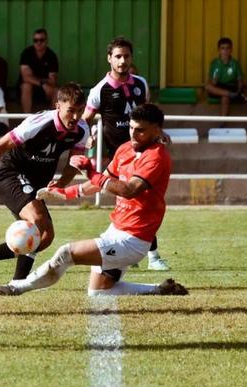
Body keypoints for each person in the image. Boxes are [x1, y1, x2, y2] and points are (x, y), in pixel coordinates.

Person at [0, 104, 188, 297]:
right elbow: (101, 182)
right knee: (98, 291)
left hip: (133, 241)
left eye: (140, 131)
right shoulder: (126, 149)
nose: (133, 134)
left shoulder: (157, 158)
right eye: (130, 128)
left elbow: (129, 190)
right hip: (116, 230)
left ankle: (16, 287)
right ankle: (160, 289)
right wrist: (64, 193)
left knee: (66, 253)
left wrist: (90, 172)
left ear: (157, 131)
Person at [0, 82, 89, 289]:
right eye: (71, 111)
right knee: (38, 222)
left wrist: (61, 184)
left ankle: (2, 270)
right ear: (58, 106)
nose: (75, 117)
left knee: (46, 237)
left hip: (36, 183)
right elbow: (1, 145)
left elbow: (73, 163)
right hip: (10, 174)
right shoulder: (39, 122)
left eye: (80, 111)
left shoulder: (81, 130)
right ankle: (1, 268)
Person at [82, 37, 169, 272]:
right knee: (128, 204)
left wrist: (161, 132)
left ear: (131, 58)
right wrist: (88, 137)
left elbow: (149, 114)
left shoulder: (140, 84)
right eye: (118, 56)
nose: (122, 61)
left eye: (126, 56)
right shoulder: (100, 89)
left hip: (143, 154)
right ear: (109, 59)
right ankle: (134, 252)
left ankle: (153, 256)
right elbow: (85, 121)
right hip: (119, 157)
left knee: (145, 203)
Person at [18, 28, 59, 113]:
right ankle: (26, 118)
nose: (38, 43)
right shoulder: (27, 53)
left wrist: (34, 79)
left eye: (41, 40)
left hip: (45, 88)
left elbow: (53, 80)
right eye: (35, 40)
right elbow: (25, 77)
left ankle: (53, 120)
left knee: (56, 91)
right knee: (26, 86)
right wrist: (43, 83)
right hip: (29, 88)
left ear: (46, 41)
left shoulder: (51, 56)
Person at [205, 37, 246, 117]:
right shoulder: (215, 63)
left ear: (231, 50)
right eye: (223, 48)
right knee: (207, 86)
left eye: (228, 48)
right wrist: (214, 80)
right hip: (219, 88)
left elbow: (240, 81)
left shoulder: (235, 63)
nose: (225, 51)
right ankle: (229, 94)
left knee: (225, 97)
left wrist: (239, 90)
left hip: (231, 87)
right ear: (219, 50)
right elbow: (212, 82)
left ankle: (223, 122)